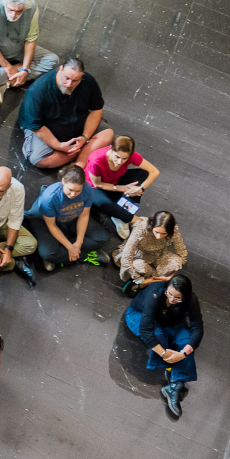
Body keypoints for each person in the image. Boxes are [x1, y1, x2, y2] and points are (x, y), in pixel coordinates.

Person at [125, 274, 203, 418]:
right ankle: (171, 370)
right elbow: (146, 330)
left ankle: (174, 385)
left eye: (178, 298)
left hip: (170, 319)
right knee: (158, 335)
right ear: (166, 288)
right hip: (140, 315)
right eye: (170, 294)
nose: (172, 300)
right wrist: (163, 353)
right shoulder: (154, 294)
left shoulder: (191, 299)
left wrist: (183, 353)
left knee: (186, 340)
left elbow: (197, 328)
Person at [18, 57, 114, 169]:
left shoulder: (89, 81)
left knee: (108, 134)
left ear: (82, 76)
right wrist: (58, 146)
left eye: (75, 80)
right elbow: (37, 127)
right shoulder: (37, 91)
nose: (69, 84)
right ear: (60, 69)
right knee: (38, 160)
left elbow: (96, 110)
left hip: (77, 121)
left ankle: (79, 163)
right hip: (46, 128)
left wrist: (85, 137)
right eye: (66, 78)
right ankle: (84, 152)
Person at [0, 0, 58, 105]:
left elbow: (30, 40)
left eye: (18, 11)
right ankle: (15, 74)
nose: (13, 15)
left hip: (17, 44)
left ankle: (7, 82)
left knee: (53, 60)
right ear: (5, 4)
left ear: (25, 7)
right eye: (10, 10)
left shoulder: (32, 7)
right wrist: (9, 68)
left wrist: (24, 69)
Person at [26, 166, 112, 273]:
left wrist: (78, 243)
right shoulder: (49, 198)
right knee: (47, 253)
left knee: (103, 238)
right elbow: (52, 226)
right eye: (70, 190)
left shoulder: (87, 189)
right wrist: (70, 248)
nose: (73, 195)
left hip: (71, 217)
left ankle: (60, 255)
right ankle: (85, 255)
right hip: (43, 221)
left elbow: (84, 215)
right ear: (63, 181)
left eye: (77, 191)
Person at [85, 135, 161, 239]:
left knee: (143, 175)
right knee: (107, 204)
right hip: (95, 188)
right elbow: (98, 184)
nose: (120, 162)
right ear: (111, 149)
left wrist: (140, 188)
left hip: (114, 181)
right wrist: (122, 188)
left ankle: (121, 215)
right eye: (117, 156)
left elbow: (154, 171)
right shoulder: (97, 160)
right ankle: (136, 221)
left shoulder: (132, 156)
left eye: (124, 158)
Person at [118, 211, 187, 295]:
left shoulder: (173, 229)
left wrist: (170, 276)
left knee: (176, 262)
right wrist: (139, 279)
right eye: (156, 232)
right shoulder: (140, 228)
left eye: (163, 234)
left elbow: (181, 253)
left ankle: (149, 282)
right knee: (138, 266)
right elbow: (126, 257)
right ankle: (150, 282)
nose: (159, 237)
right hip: (138, 255)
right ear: (152, 226)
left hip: (158, 254)